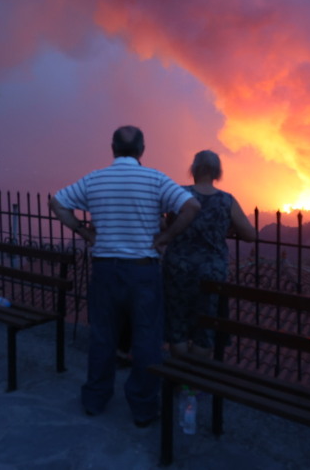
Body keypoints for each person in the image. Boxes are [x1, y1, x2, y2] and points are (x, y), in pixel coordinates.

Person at [49, 126, 200, 428]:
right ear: (142, 149)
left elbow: (58, 202)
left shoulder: (95, 179)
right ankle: (143, 408)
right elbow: (191, 206)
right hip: (143, 270)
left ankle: (95, 399)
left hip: (105, 268)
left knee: (103, 336)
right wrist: (167, 236)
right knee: (146, 340)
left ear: (112, 148)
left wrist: (82, 231)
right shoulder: (155, 179)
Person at [162, 150, 257, 359]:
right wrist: (228, 227)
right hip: (210, 272)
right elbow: (250, 234)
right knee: (204, 328)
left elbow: (165, 223)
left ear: (194, 170)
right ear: (217, 173)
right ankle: (192, 386)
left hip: (178, 268)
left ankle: (180, 378)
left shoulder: (179, 194)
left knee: (177, 324)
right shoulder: (226, 201)